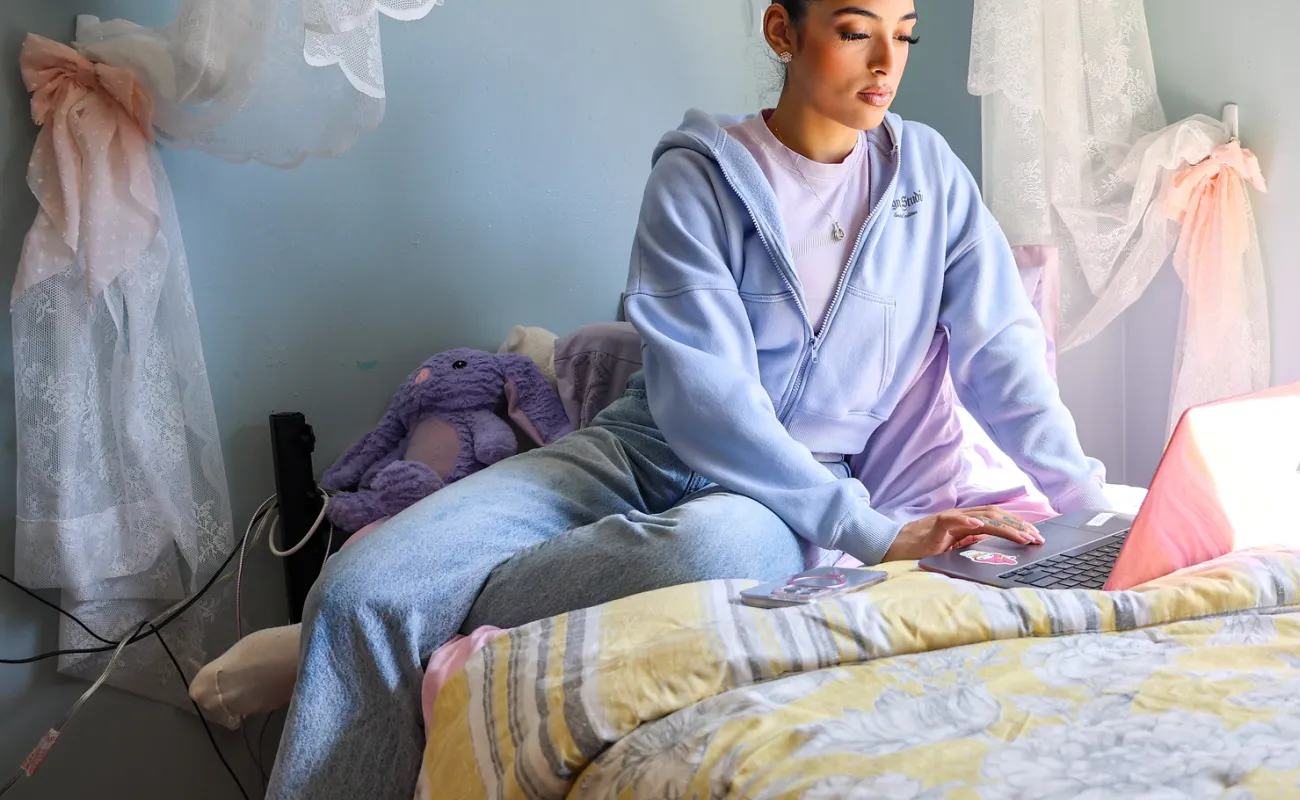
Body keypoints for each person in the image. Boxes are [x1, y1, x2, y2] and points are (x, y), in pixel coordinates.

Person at [266, 1, 1106, 797]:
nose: (888, 63)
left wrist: (1089, 507)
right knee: (356, 593)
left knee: (704, 556)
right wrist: (876, 532)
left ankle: (437, 615)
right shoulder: (700, 177)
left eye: (905, 34)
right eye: (856, 32)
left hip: (785, 501)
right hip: (635, 454)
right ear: (784, 30)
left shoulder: (933, 182)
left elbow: (1003, 357)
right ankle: (416, 613)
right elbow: (704, 397)